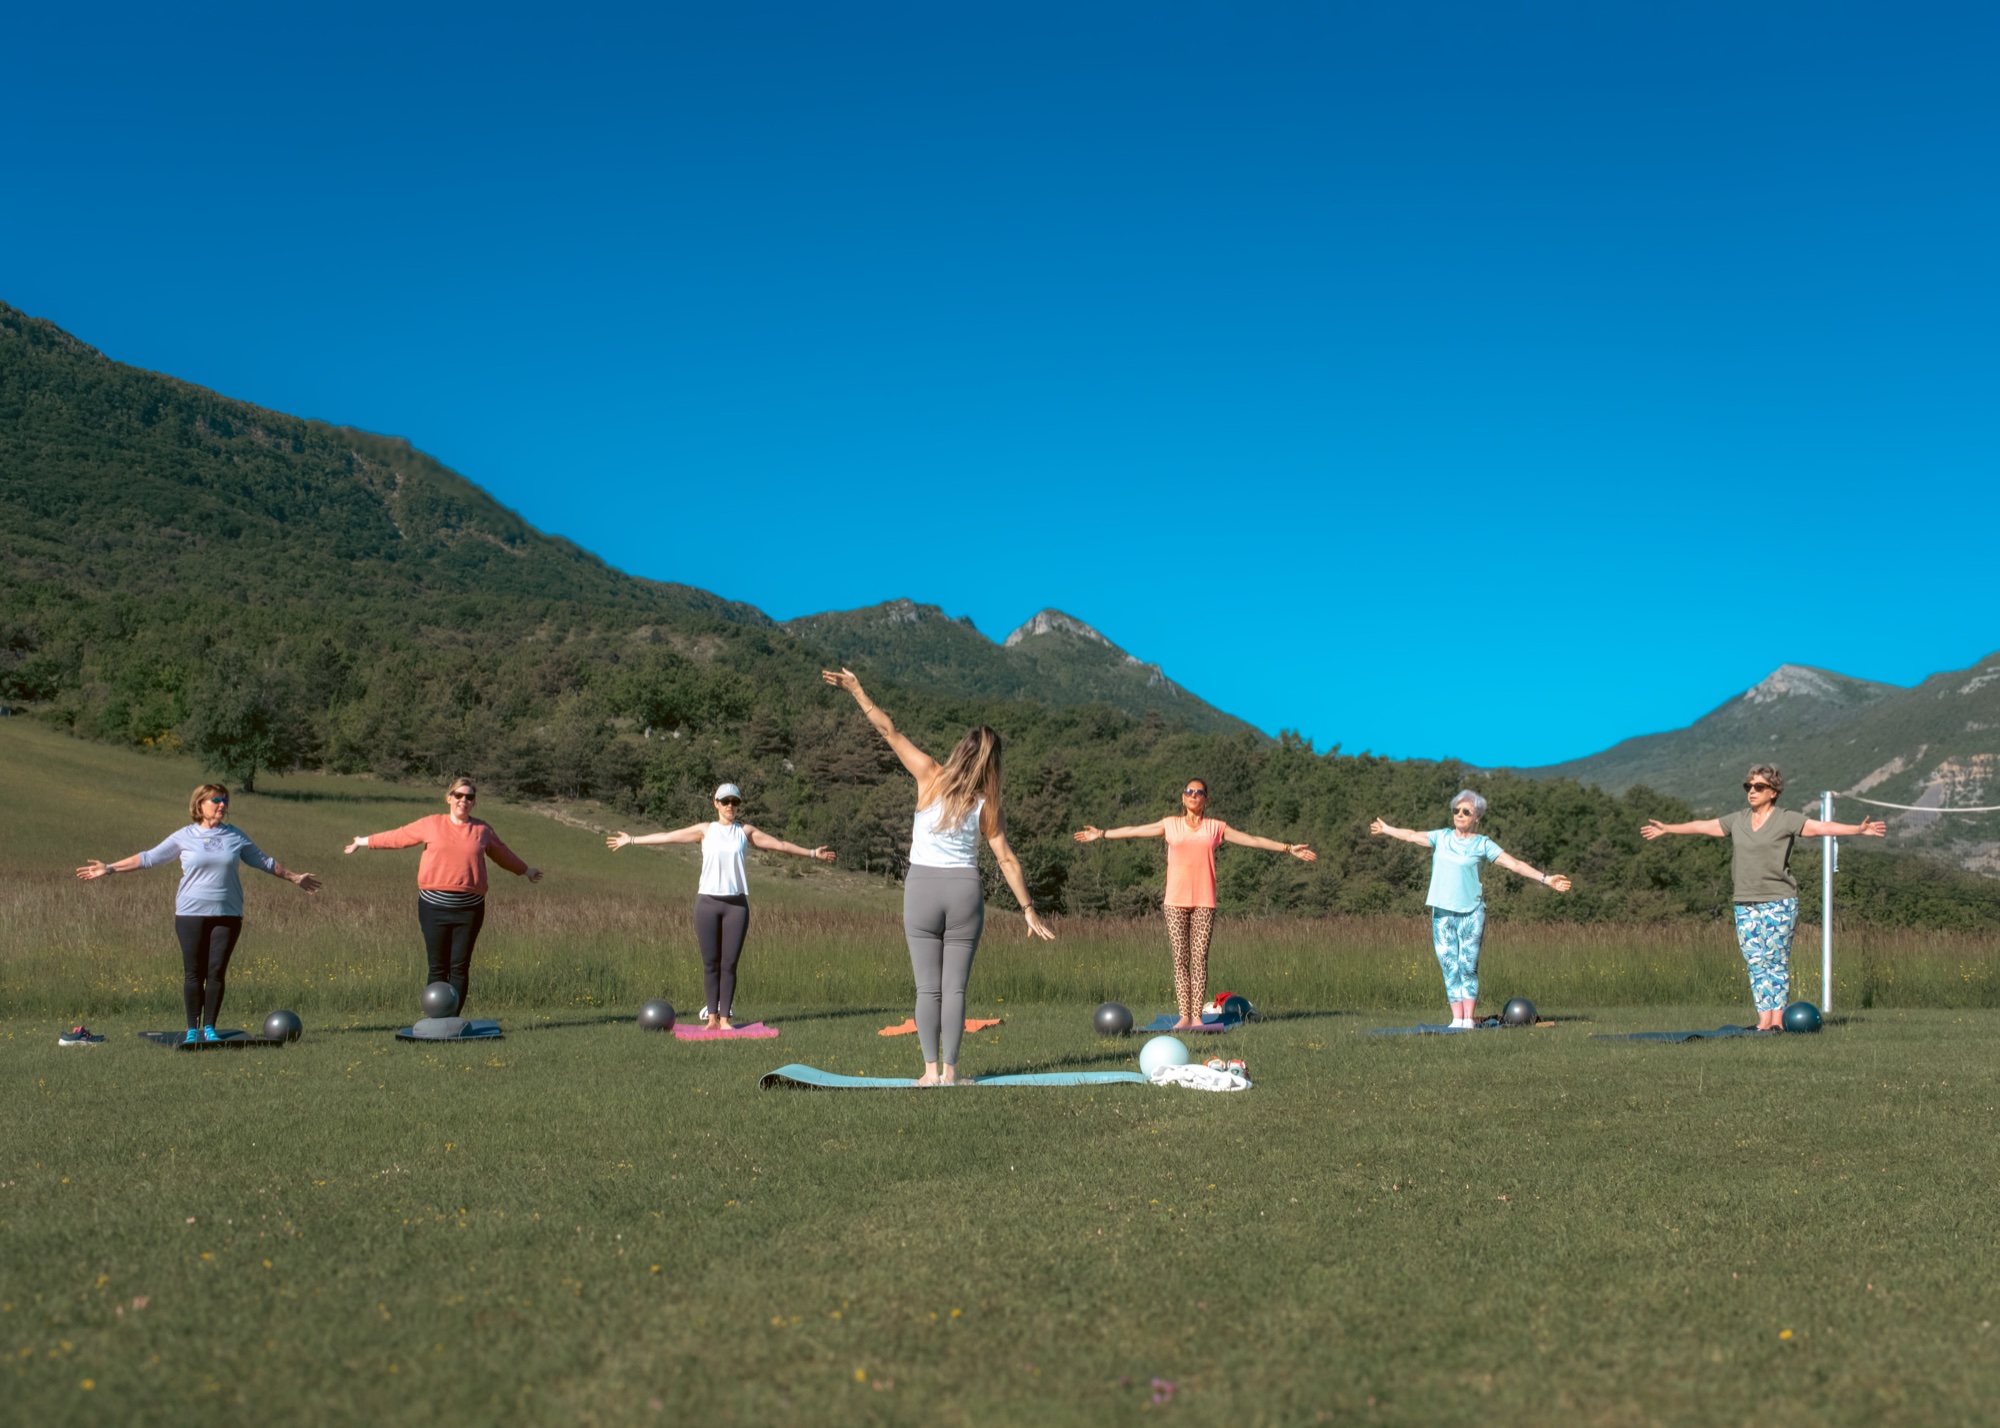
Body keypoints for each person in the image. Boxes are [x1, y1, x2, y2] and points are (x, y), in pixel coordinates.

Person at [821, 666, 1054, 1085]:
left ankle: (929, 1073)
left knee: (927, 988)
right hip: (964, 891)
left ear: (960, 750)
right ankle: (951, 1073)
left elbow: (889, 732)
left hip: (922, 888)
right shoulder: (987, 803)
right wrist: (1028, 910)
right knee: (956, 989)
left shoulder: (929, 774)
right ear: (992, 764)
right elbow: (1007, 860)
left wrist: (858, 689)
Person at [1640, 764, 1884, 1029]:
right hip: (1745, 902)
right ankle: (1763, 1021)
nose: (1752, 791)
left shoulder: (1786, 819)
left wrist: (1857, 830)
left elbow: (1819, 827)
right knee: (1755, 962)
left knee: (1775, 961)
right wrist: (1668, 828)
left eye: (1759, 786)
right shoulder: (1738, 820)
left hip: (1779, 900)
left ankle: (1778, 1021)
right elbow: (1703, 825)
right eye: (1749, 786)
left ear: (1774, 792)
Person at [75, 784, 321, 1043]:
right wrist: (110, 868)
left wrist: (295, 878)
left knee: (216, 972)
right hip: (190, 913)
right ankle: (193, 1029)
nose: (222, 804)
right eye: (216, 799)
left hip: (228, 914)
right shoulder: (185, 835)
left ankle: (210, 1029)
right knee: (194, 972)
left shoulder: (235, 836)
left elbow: (264, 862)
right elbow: (149, 858)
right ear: (199, 805)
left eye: (225, 800)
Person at [1073, 780, 1317, 1028]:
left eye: (1199, 792)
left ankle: (1198, 1017)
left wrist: (1288, 848)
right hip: (1175, 902)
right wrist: (1101, 834)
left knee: (1199, 959)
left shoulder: (1215, 827)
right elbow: (1134, 830)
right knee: (1180, 959)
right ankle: (1184, 1016)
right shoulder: (1170, 825)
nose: (1193, 795)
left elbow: (1252, 839)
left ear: (1206, 800)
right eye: (1189, 791)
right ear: (1183, 797)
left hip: (1204, 901)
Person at [607, 782, 835, 1029]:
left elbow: (779, 844)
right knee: (710, 963)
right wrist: (631, 840)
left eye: (734, 802)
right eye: (725, 801)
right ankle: (712, 1019)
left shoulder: (744, 831)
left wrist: (813, 853)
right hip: (707, 903)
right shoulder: (706, 830)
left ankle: (725, 1019)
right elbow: (667, 837)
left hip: (736, 905)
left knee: (729, 964)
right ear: (715, 803)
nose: (730, 806)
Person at [1370, 791, 1570, 1027]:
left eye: (1466, 812)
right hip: (1442, 913)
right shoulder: (1441, 838)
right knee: (1449, 966)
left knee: (1467, 966)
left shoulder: (1482, 843)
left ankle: (1468, 1019)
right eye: (1457, 810)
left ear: (1477, 818)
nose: (1460, 815)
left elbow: (1514, 864)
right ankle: (1457, 1019)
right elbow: (1412, 836)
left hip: (1471, 913)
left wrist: (1546, 879)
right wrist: (1387, 829)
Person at [343, 778, 542, 1013]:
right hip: (433, 908)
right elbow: (399, 837)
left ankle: (453, 1019)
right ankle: (436, 1020)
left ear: (474, 803)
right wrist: (364, 841)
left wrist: (526, 871)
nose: (463, 801)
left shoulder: (482, 830)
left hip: (470, 910)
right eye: (459, 795)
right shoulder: (432, 824)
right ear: (449, 798)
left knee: (459, 967)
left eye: (469, 797)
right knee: (437, 967)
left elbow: (502, 854)